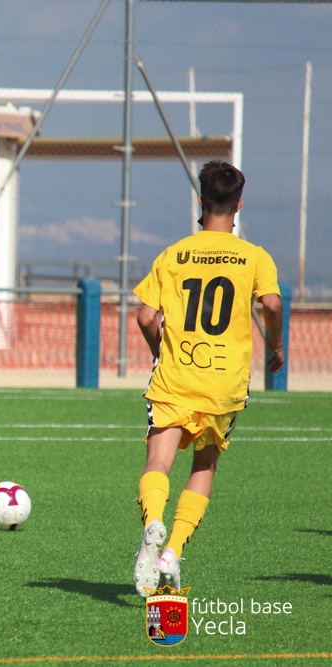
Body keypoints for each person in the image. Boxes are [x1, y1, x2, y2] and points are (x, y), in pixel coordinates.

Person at [132, 161, 284, 596]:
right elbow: (272, 305)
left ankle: (154, 523)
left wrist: (160, 352)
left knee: (158, 461)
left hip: (177, 376)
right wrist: (275, 347)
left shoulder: (174, 254)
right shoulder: (254, 256)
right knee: (204, 463)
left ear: (201, 201)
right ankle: (172, 550)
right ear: (238, 205)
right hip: (224, 382)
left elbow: (146, 317)